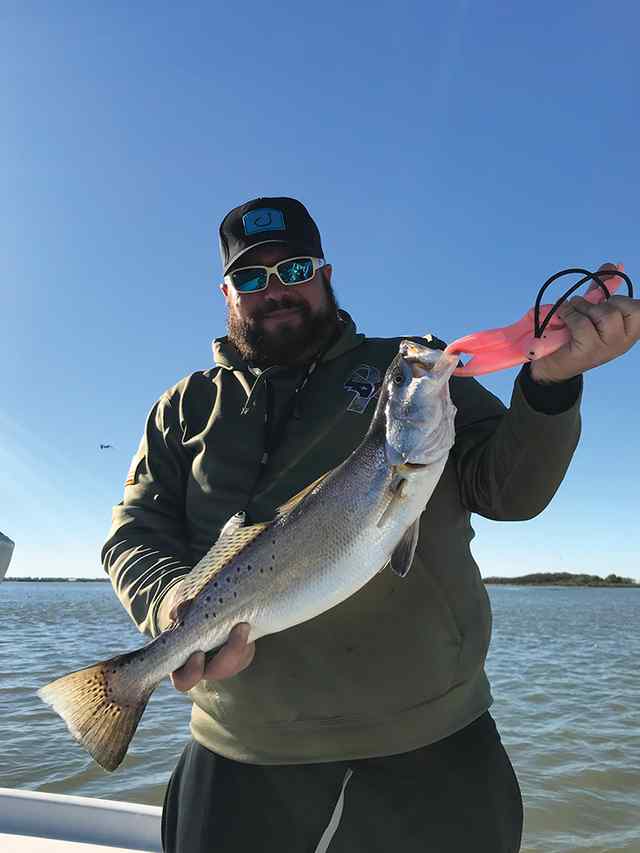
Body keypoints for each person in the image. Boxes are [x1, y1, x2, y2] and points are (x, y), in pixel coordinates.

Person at [102, 197, 639, 853]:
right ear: (226, 293)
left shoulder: (411, 370)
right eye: (250, 277)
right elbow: (135, 534)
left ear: (326, 274)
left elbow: (511, 489)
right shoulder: (182, 409)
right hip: (244, 747)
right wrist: (169, 600)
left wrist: (549, 386)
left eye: (294, 267)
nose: (274, 289)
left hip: (434, 742)